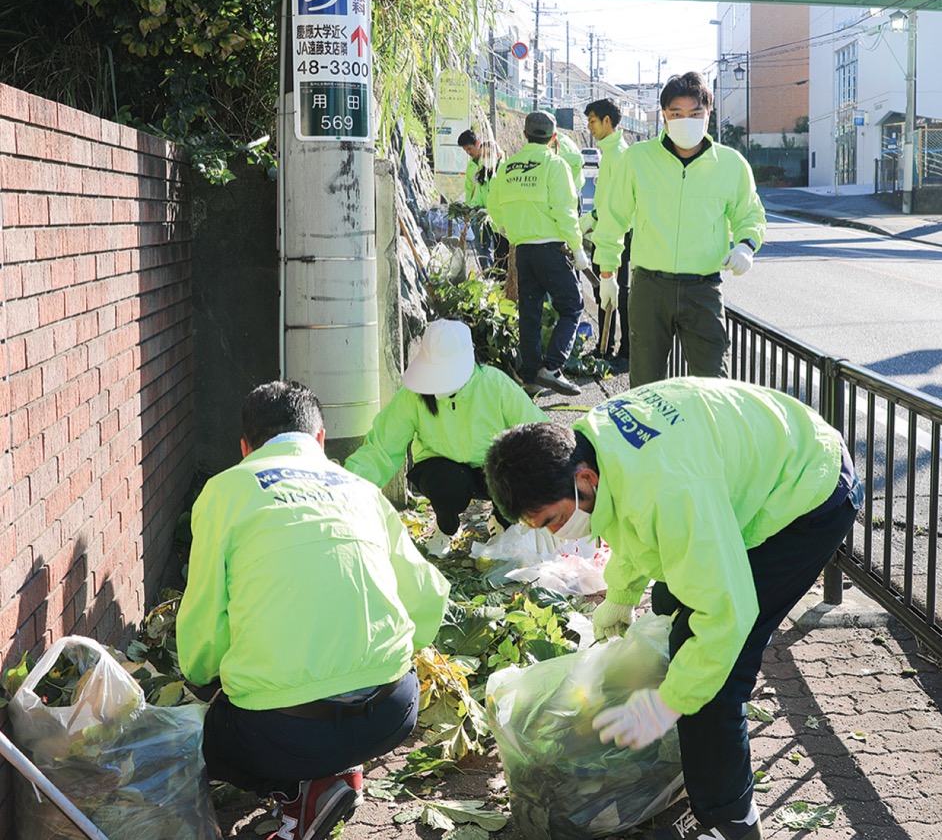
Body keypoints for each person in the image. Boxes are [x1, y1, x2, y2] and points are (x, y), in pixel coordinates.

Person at [484, 377, 863, 840]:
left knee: (715, 671)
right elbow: (629, 518)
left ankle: (732, 821)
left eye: (556, 519)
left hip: (808, 492)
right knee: (668, 605)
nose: (559, 534)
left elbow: (726, 613)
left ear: (584, 479)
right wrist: (621, 596)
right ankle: (692, 757)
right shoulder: (592, 443)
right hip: (749, 467)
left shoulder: (670, 490)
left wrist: (668, 703)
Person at [177, 380, 449, 840]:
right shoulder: (362, 491)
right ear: (320, 438)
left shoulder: (225, 491)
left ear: (245, 448)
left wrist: (202, 679)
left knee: (207, 741)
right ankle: (335, 773)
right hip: (391, 713)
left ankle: (297, 788)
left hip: (284, 734)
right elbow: (427, 601)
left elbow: (204, 630)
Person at [591, 71, 767, 388]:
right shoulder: (637, 159)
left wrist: (745, 245)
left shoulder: (730, 164)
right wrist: (607, 273)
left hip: (703, 289)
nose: (686, 120)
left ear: (708, 115)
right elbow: (613, 218)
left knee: (712, 385)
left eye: (695, 113)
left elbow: (749, 212)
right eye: (676, 113)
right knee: (646, 385)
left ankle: (706, 439)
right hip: (649, 287)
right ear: (664, 116)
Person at [344, 318, 549, 555]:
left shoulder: (495, 385)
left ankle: (503, 521)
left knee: (515, 472)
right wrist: (346, 488)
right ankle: (446, 526)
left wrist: (548, 493)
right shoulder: (414, 396)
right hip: (443, 469)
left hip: (494, 468)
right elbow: (381, 448)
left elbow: (538, 433)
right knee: (445, 484)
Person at [486, 109, 588, 397]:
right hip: (551, 249)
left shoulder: (507, 168)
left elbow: (494, 209)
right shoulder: (555, 166)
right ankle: (553, 367)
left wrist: (512, 231)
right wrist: (578, 249)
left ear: (524, 135)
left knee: (529, 311)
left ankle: (530, 376)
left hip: (524, 251)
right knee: (572, 305)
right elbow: (566, 213)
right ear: (554, 138)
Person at [583, 98, 630, 371]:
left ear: (607, 122)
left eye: (592, 121)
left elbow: (616, 203)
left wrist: (595, 218)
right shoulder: (610, 153)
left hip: (619, 235)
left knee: (619, 293)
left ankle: (624, 354)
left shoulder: (618, 155)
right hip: (607, 231)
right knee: (607, 292)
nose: (590, 127)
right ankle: (605, 348)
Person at [457, 129, 508, 272]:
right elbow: (474, 193)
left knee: (502, 254)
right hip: (483, 216)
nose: (484, 158)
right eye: (484, 156)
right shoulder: (479, 172)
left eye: (469, 148)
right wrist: (471, 209)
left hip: (501, 221)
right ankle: (489, 276)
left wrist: (492, 210)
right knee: (483, 248)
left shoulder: (504, 170)